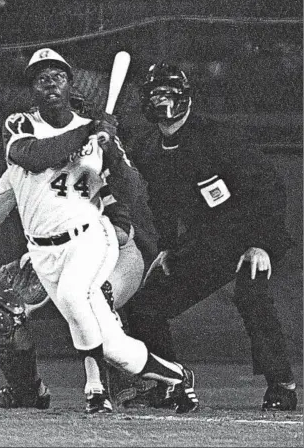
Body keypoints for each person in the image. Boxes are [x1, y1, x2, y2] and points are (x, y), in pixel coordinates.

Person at [0, 48, 198, 414]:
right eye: (41, 77)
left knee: (84, 297)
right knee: (107, 342)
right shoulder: (23, 130)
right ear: (32, 90)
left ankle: (98, 389)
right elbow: (24, 170)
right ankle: (174, 376)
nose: (53, 86)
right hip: (47, 253)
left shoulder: (96, 142)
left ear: (72, 88)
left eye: (59, 77)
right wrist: (80, 137)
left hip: (100, 243)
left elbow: (127, 208)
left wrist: (110, 151)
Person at [124, 61, 297, 411]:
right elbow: (161, 202)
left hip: (251, 233)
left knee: (252, 294)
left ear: (185, 97)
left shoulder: (219, 137)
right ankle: (167, 384)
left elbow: (268, 189)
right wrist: (169, 248)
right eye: (155, 93)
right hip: (208, 242)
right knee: (145, 306)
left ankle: (282, 385)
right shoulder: (148, 149)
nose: (162, 100)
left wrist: (260, 244)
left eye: (169, 92)